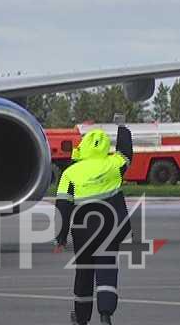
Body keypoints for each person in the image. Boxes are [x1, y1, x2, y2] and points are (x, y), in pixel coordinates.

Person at [53, 126, 133, 325]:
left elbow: (63, 207)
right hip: (111, 228)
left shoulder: (70, 174)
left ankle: (81, 318)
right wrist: (123, 128)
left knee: (84, 272)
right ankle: (105, 314)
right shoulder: (113, 165)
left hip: (83, 231)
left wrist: (61, 237)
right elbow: (126, 152)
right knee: (107, 269)